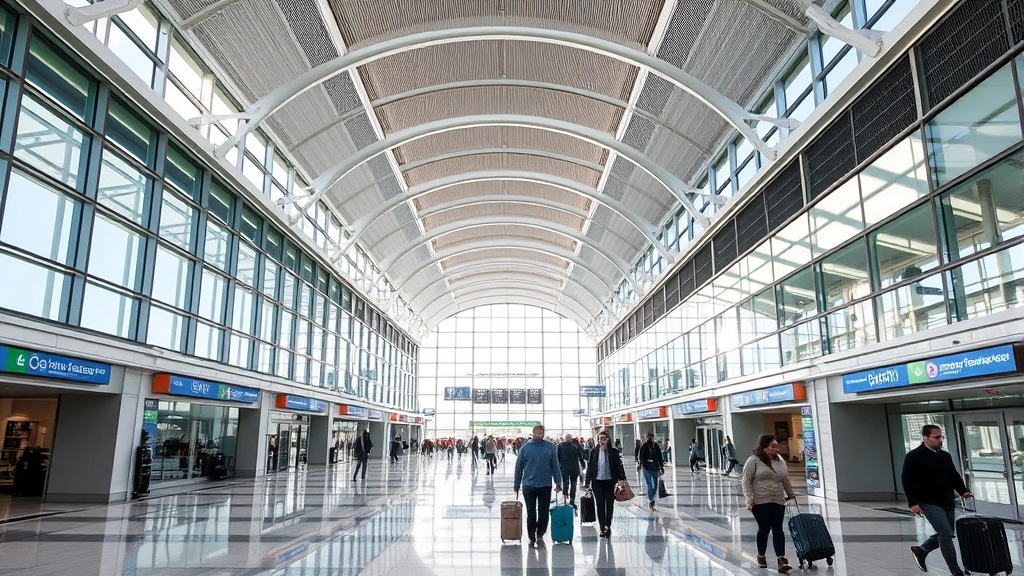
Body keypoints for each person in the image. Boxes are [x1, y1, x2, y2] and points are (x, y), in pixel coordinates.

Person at [902, 424, 972, 576]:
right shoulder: (914, 456)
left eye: (941, 437)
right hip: (928, 502)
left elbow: (953, 475)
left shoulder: (944, 456)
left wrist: (963, 491)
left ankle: (922, 550)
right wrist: (912, 503)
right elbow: (906, 480)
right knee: (946, 534)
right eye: (937, 437)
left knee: (947, 533)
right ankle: (956, 571)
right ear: (925, 438)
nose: (940, 440)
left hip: (947, 500)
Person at [742, 434, 797, 574]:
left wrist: (790, 494)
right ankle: (761, 555)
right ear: (764, 447)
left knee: (778, 528)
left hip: (777, 499)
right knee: (764, 528)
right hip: (760, 500)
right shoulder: (754, 460)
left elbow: (785, 479)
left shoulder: (780, 461)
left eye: (777, 446)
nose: (776, 449)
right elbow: (746, 480)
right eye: (773, 447)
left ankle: (781, 559)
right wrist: (750, 498)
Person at [513, 425, 562, 548]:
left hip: (545, 485)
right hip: (529, 486)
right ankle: (531, 537)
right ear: (533, 433)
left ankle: (540, 535)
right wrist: (516, 484)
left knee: (543, 512)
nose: (539, 435)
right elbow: (518, 467)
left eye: (541, 433)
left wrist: (558, 482)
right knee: (531, 513)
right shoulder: (525, 448)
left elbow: (555, 465)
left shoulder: (550, 447)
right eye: (537, 433)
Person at [582, 430, 627, 539]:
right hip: (597, 482)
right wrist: (587, 482)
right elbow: (590, 468)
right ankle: (602, 527)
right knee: (600, 505)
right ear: (598, 440)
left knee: (609, 505)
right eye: (600, 438)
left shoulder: (613, 452)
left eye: (604, 438)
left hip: (610, 482)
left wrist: (622, 478)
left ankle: (608, 525)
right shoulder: (593, 452)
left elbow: (619, 466)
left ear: (607, 440)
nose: (602, 440)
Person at [637, 432, 664, 510]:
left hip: (655, 468)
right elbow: (641, 457)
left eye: (651, 437)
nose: (649, 438)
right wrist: (640, 464)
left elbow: (659, 457)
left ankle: (652, 499)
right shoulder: (644, 446)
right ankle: (650, 500)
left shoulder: (656, 446)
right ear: (646, 437)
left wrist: (661, 467)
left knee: (655, 485)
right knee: (649, 485)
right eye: (648, 437)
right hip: (646, 468)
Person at [557, 434, 585, 504]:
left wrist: (558, 466)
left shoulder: (560, 446)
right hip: (574, 468)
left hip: (564, 467)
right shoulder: (576, 446)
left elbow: (558, 457)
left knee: (565, 483)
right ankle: (572, 498)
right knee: (573, 484)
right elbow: (580, 457)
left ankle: (565, 496)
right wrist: (583, 465)